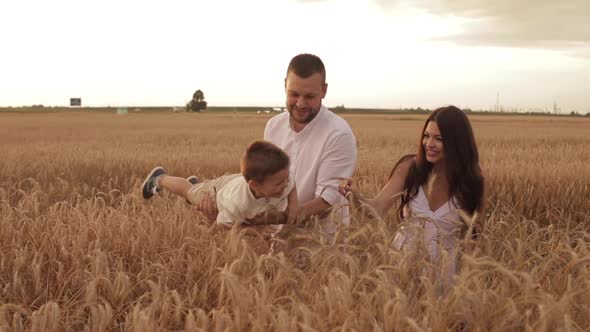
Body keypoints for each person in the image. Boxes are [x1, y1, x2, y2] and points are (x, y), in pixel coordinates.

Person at [197, 53, 358, 236]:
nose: (300, 103)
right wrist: (229, 209)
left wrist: (263, 219)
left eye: (310, 96)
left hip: (321, 243)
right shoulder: (274, 126)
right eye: (294, 94)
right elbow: (265, 179)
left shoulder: (338, 135)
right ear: (284, 85)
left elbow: (326, 203)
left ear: (324, 90)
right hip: (277, 237)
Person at [340, 105, 485, 282]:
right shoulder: (410, 168)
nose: (429, 144)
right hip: (402, 266)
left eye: (438, 138)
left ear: (456, 142)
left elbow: (474, 240)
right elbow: (376, 210)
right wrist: (355, 194)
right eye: (426, 136)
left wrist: (469, 283)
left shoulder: (472, 182)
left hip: (444, 274)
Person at [142, 140, 298, 227]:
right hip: (219, 191)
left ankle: (199, 186)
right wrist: (254, 231)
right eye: (280, 183)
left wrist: (293, 205)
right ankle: (159, 178)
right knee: (189, 192)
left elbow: (292, 186)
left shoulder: (281, 181)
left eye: (287, 179)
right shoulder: (237, 204)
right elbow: (222, 224)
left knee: (197, 192)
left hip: (237, 182)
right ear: (256, 186)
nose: (285, 185)